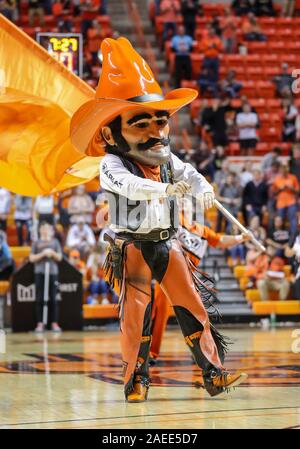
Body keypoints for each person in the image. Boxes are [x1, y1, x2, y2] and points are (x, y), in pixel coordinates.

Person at [70, 37, 247, 402]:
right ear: (109, 133)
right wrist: (165, 192)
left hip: (167, 243)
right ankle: (135, 380)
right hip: (132, 247)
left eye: (160, 120)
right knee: (135, 316)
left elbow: (191, 173)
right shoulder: (111, 163)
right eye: (141, 123)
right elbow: (130, 186)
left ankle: (213, 374)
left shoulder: (166, 157)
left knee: (194, 308)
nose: (156, 131)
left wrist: (204, 188)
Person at [150, 199, 250, 362]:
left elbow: (221, 241)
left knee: (198, 316)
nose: (182, 204)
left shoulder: (202, 230)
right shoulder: (175, 221)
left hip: (188, 279)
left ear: (193, 207)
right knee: (158, 312)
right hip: (168, 275)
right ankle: (150, 353)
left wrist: (241, 238)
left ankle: (203, 354)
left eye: (185, 202)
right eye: (179, 202)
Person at [29, 222, 62, 333]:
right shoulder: (36, 243)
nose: (45, 230)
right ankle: (40, 323)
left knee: (53, 298)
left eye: (47, 228)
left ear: (50, 230)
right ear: (40, 230)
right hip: (40, 272)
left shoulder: (55, 242)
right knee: (40, 297)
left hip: (52, 273)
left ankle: (54, 323)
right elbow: (32, 258)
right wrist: (43, 254)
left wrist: (52, 253)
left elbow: (60, 257)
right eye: (43, 228)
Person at [272, 162, 299, 235]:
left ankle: (294, 236)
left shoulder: (293, 177)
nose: (284, 170)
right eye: (282, 168)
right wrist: (280, 189)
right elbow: (273, 193)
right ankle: (280, 238)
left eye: (285, 168)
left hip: (291, 201)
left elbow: (298, 191)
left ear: (288, 169)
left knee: (293, 219)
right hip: (281, 202)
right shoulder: (277, 179)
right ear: (280, 169)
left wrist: (291, 188)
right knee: (280, 220)